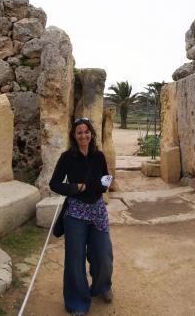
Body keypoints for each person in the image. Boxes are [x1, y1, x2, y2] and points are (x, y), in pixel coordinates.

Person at [49, 117, 113, 316]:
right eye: (79, 132)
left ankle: (101, 287)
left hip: (97, 210)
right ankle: (77, 301)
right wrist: (74, 187)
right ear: (74, 136)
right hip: (75, 212)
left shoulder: (99, 156)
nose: (83, 135)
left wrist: (103, 184)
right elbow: (54, 183)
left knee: (103, 254)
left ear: (91, 134)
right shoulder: (67, 157)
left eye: (86, 131)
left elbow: (105, 177)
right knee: (75, 260)